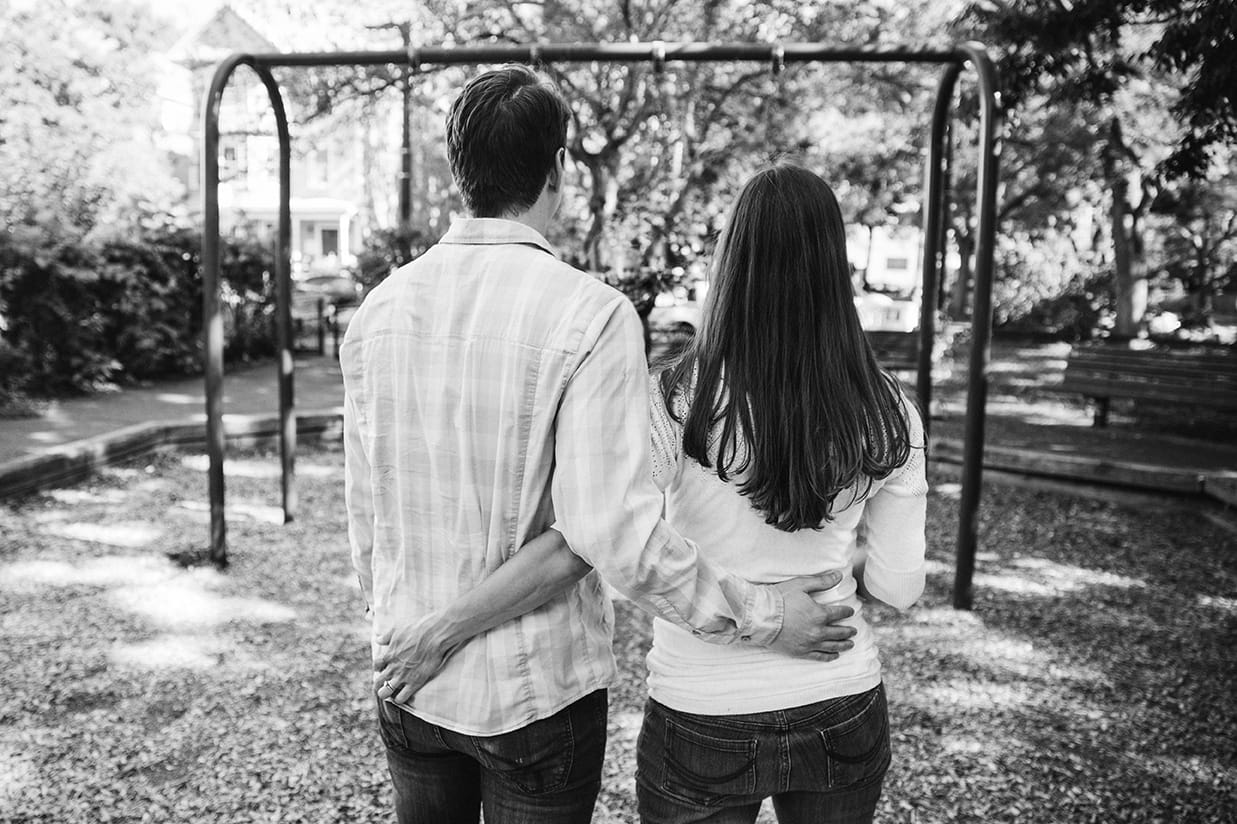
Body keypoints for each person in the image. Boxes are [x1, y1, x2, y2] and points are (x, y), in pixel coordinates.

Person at [341, 67, 859, 824]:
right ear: (559, 167)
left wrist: (402, 626)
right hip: (532, 692)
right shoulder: (590, 315)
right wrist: (765, 613)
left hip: (409, 673)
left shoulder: (378, 311)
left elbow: (367, 512)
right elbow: (607, 531)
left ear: (459, 170)